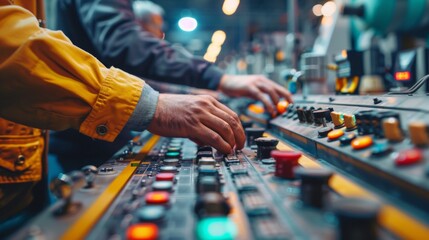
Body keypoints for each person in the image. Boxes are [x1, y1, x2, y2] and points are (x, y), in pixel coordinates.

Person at [0, 1, 246, 232]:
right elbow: (123, 44)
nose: (158, 38)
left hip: (26, 169)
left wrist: (174, 97)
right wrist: (153, 105)